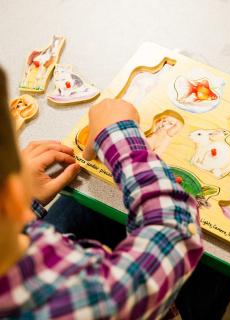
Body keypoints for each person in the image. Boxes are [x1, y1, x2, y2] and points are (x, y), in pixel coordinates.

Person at [0, 67, 204, 319]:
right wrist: (120, 136)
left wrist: (23, 205)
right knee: (213, 277)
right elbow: (175, 228)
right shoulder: (86, 300)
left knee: (78, 204)